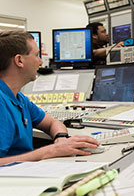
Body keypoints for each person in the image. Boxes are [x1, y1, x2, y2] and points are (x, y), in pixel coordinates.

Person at [0, 30, 100, 165]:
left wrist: (61, 138)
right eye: (36, 55)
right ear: (19, 60)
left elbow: (52, 123)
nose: (40, 61)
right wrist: (51, 150)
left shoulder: (19, 98)